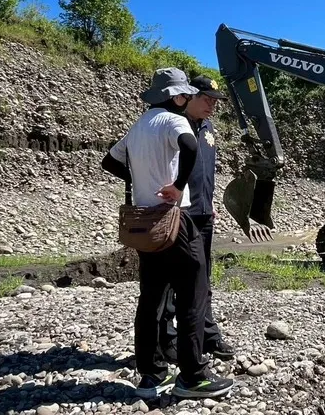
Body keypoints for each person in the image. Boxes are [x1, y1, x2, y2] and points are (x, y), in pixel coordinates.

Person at [100, 67, 234, 400]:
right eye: (186, 94)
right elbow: (190, 148)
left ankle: (150, 376)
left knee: (151, 299)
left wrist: (137, 181)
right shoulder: (174, 120)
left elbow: (109, 162)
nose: (188, 99)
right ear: (176, 96)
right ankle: (193, 376)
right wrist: (176, 186)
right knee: (193, 294)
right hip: (176, 221)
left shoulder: (138, 127)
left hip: (147, 223)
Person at [158, 74, 235, 362]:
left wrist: (210, 202)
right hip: (176, 214)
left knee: (202, 279)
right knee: (170, 280)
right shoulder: (172, 125)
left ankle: (206, 335)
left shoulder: (208, 127)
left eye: (215, 101)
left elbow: (206, 171)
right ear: (188, 96)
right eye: (206, 99)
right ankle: (166, 340)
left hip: (203, 214)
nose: (211, 105)